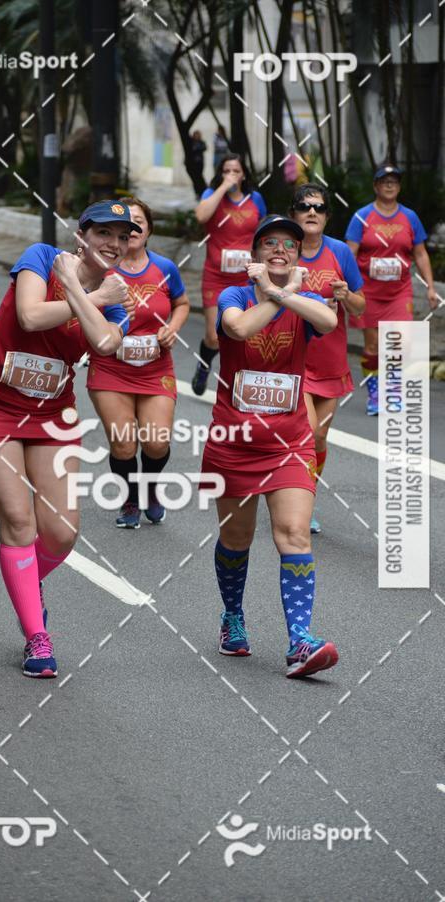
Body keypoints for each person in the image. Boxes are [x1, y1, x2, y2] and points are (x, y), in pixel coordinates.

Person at [0, 200, 138, 678]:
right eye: (105, 234)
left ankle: (23, 585)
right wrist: (90, 296)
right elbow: (31, 315)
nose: (114, 245)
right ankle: (37, 636)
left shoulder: (118, 298)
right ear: (82, 234)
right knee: (19, 523)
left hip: (51, 415)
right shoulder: (40, 257)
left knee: (61, 530)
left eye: (124, 237)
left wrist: (88, 292)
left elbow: (104, 344)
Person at [200, 214, 339, 678]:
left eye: (290, 246)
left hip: (290, 441)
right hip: (234, 441)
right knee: (235, 539)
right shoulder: (233, 296)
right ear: (255, 254)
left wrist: (286, 294)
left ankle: (300, 640)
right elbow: (238, 331)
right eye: (270, 243)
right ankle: (232, 615)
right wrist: (276, 296)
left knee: (294, 534)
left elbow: (329, 318)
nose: (281, 249)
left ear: (299, 257)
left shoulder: (304, 301)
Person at [87, 196, 190, 528]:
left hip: (155, 369)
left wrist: (172, 327)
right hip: (110, 367)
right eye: (121, 227)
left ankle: (151, 487)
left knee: (157, 443)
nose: (129, 231)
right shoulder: (100, 269)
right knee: (123, 441)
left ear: (147, 231)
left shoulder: (164, 268)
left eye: (137, 224)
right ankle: (131, 497)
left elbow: (183, 302)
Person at [289, 184, 365, 534]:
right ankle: (299, 506)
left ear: (327, 215)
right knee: (307, 431)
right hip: (295, 359)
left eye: (318, 208)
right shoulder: (284, 250)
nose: (312, 213)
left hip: (332, 361)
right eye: (305, 207)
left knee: (320, 439)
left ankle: (306, 492)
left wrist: (346, 294)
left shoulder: (339, 252)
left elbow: (361, 305)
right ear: (294, 214)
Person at [345, 164, 437, 415]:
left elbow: (420, 253)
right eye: (384, 181)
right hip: (368, 293)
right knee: (373, 345)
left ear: (398, 187)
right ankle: (375, 393)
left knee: (401, 342)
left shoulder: (410, 217)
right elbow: (349, 254)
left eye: (394, 181)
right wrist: (348, 290)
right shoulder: (362, 217)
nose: (389, 185)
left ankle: (393, 391)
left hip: (399, 292)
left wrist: (430, 287)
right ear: (375, 186)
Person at [191, 153, 266, 396]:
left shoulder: (255, 199)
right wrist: (223, 187)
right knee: (214, 337)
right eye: (227, 171)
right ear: (221, 173)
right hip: (216, 276)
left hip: (246, 277)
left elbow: (264, 231)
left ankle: (235, 385)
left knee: (243, 333)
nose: (232, 174)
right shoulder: (212, 195)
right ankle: (204, 364)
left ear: (244, 174)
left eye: (236, 170)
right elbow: (201, 216)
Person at [191, 130, 207, 195]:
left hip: (200, 162)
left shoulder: (201, 142)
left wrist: (197, 148)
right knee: (195, 178)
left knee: (200, 176)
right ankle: (197, 192)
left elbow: (204, 148)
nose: (197, 136)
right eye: (195, 135)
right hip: (193, 163)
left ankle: (201, 191)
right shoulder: (191, 142)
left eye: (198, 135)